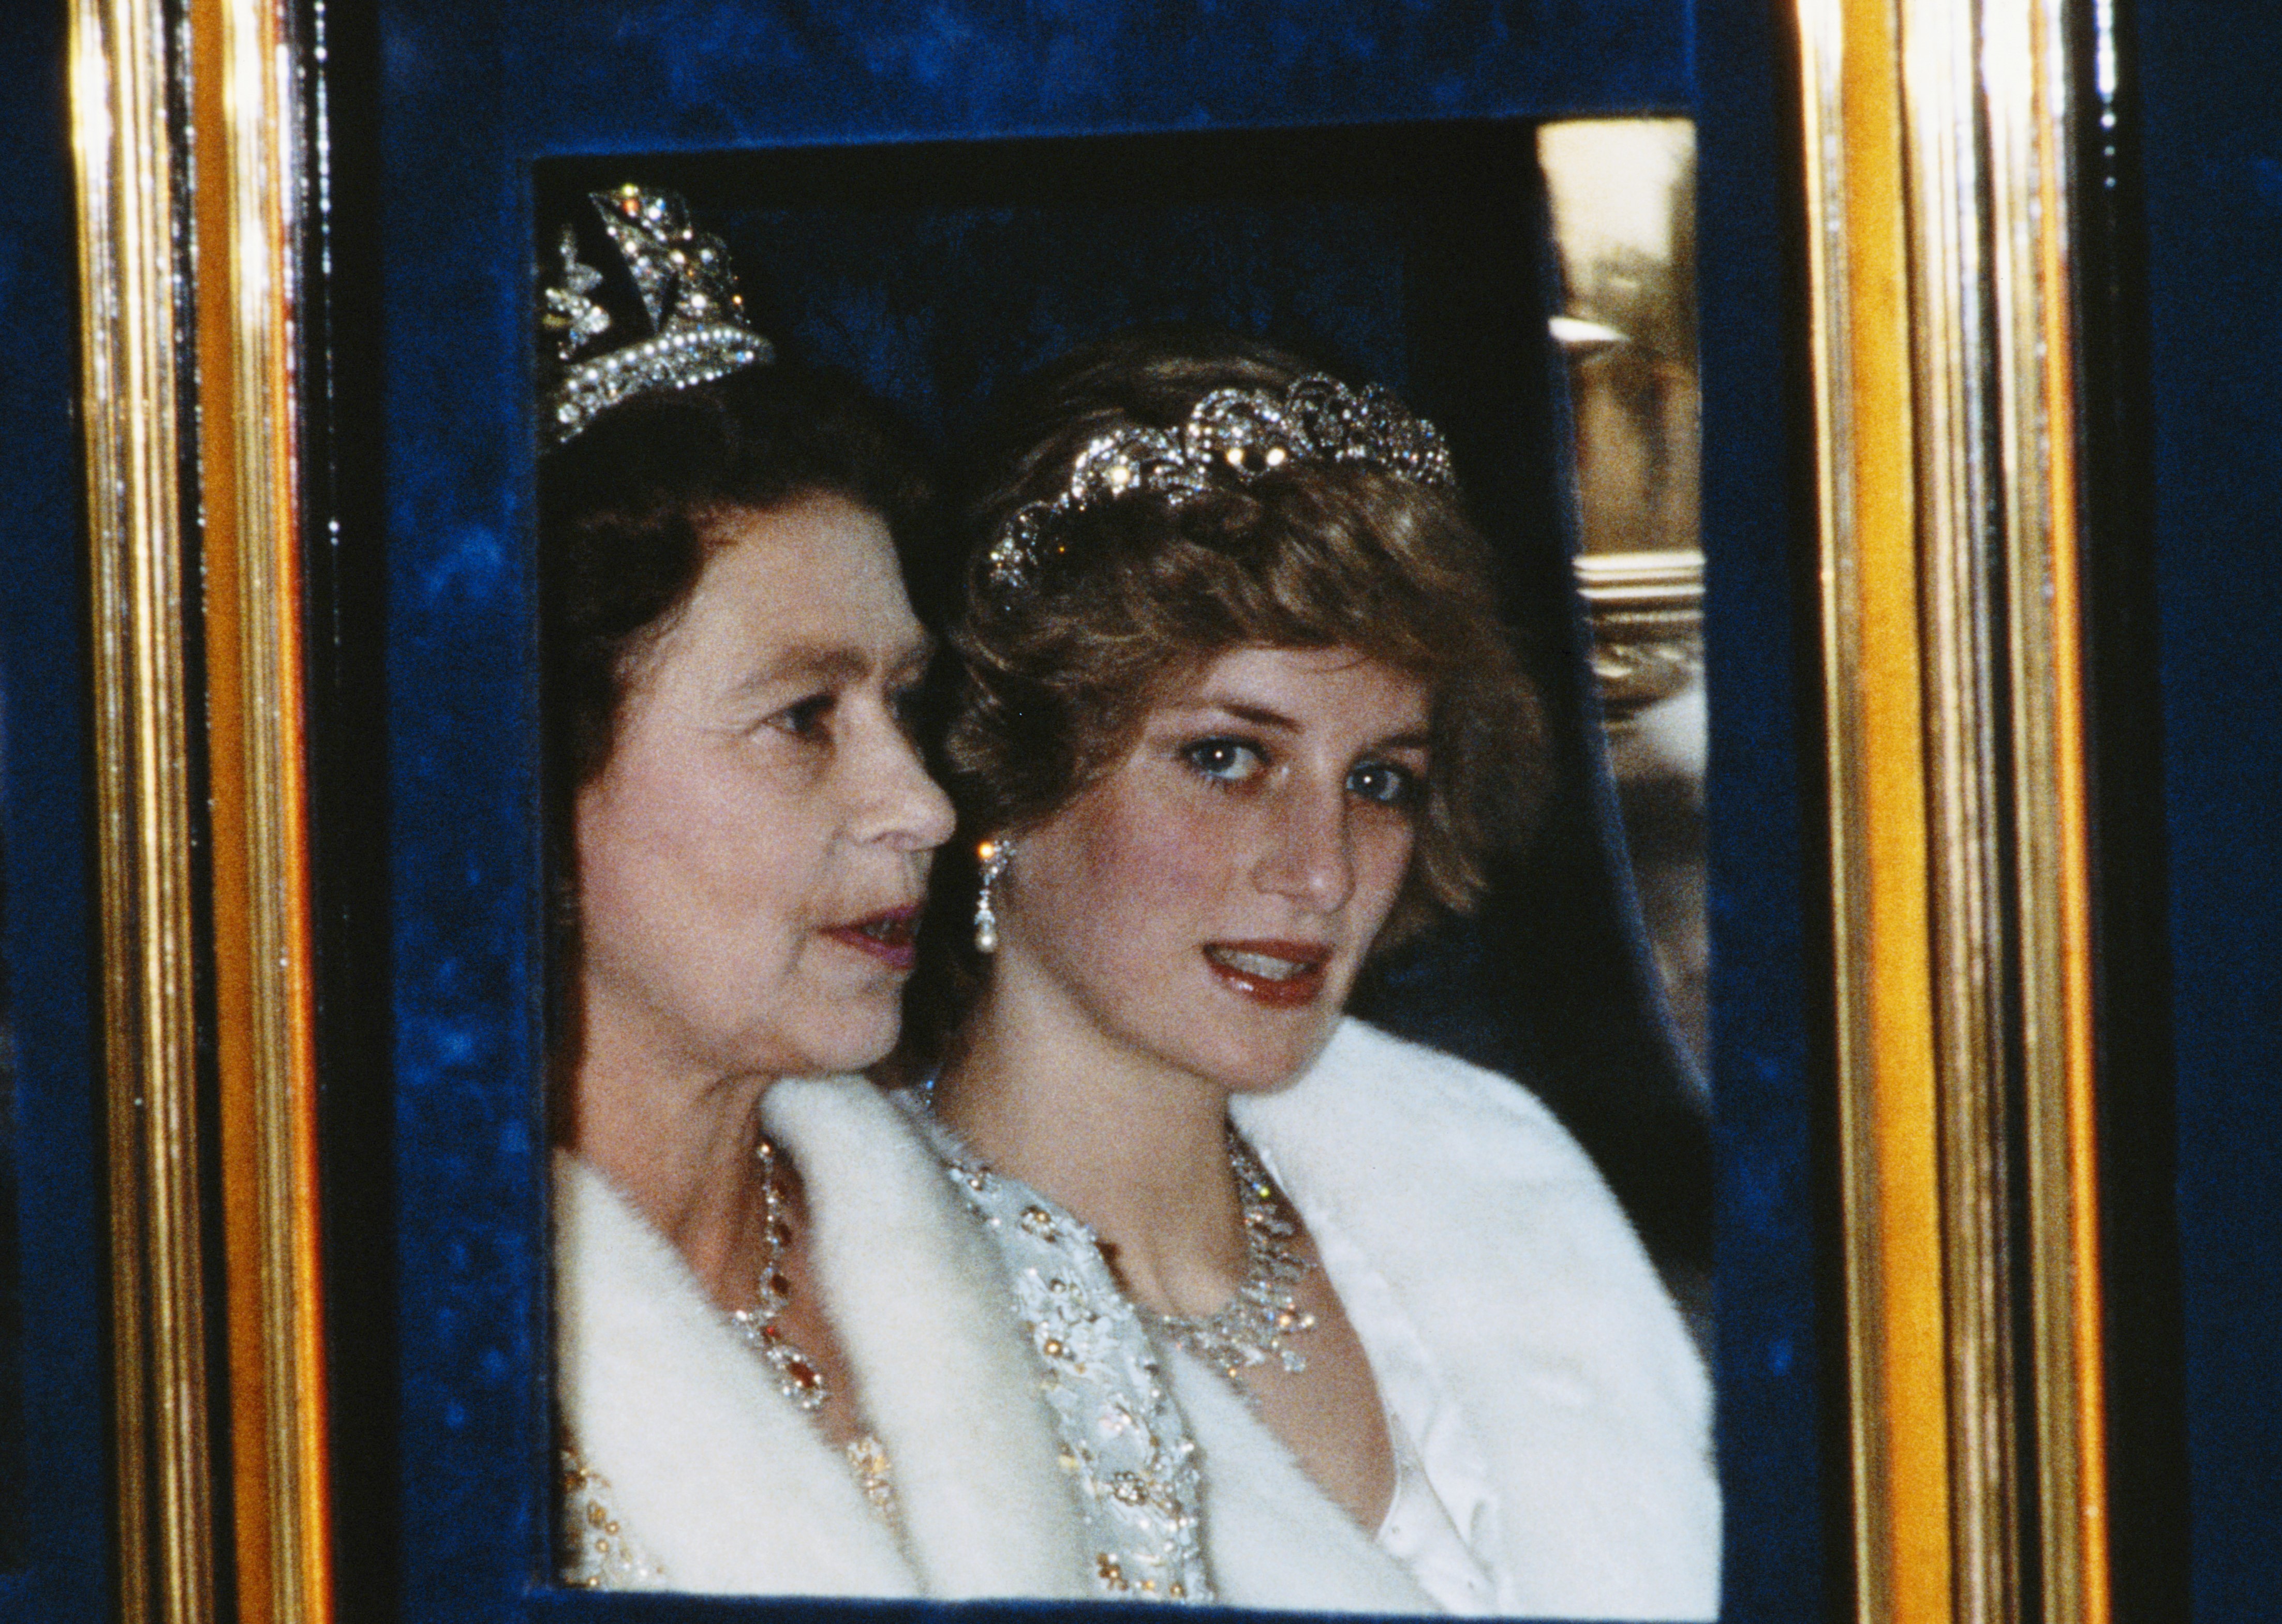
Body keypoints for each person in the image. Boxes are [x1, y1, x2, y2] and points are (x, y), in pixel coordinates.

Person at [900, 327, 1720, 1617]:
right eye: (1228, 758)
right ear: (1004, 772)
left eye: (1378, 780)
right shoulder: (877, 1324)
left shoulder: (1494, 1193)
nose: (1324, 871)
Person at [538, 185, 1092, 1596]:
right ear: (530, 778)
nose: (920, 802)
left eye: (904, 702)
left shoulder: (1031, 1277)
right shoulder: (370, 1350)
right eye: (803, 717)